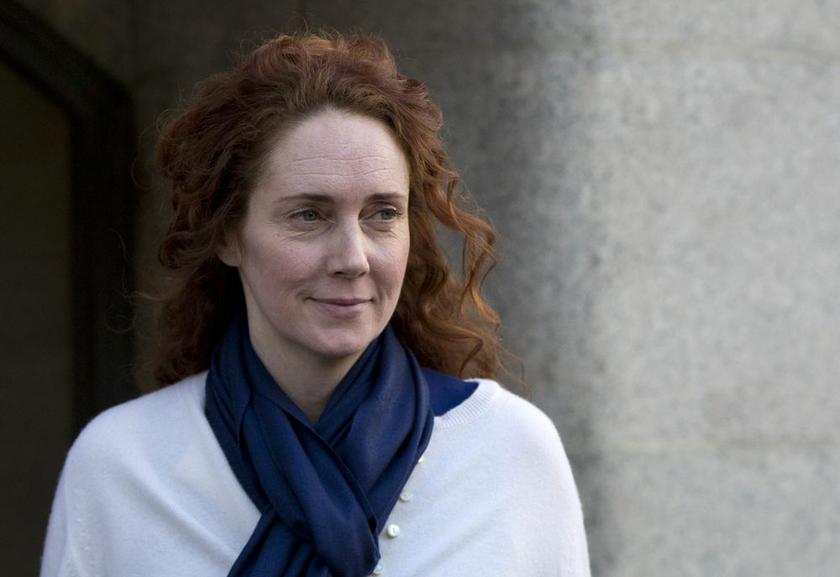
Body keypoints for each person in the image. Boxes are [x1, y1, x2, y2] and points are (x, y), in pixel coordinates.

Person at [40, 32, 590, 577]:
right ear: (228, 234)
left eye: (382, 214)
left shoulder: (508, 449)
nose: (353, 258)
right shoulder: (121, 465)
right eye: (309, 215)